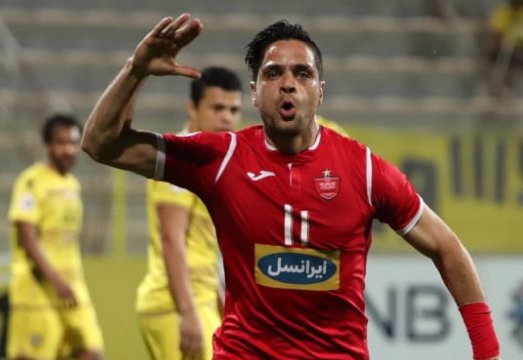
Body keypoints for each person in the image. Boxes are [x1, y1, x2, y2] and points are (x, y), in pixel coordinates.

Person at [81, 14, 500, 359]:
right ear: (254, 93)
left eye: (303, 73)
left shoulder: (365, 170)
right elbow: (100, 144)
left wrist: (487, 350)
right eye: (273, 73)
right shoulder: (220, 158)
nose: (288, 83)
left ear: (320, 92)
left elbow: (447, 247)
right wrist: (135, 71)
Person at [137, 67, 241, 360]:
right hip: (175, 304)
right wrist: (187, 312)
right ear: (192, 108)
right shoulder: (179, 160)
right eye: (217, 108)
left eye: (234, 110)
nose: (227, 118)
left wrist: (219, 300)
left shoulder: (208, 162)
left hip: (201, 299)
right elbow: (172, 239)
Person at [7, 114, 103, 360]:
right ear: (48, 145)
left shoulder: (73, 185)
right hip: (38, 287)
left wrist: (67, 282)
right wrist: (56, 281)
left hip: (72, 287)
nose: (68, 150)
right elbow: (27, 239)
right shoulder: (31, 181)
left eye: (73, 143)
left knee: (91, 351)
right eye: (61, 143)